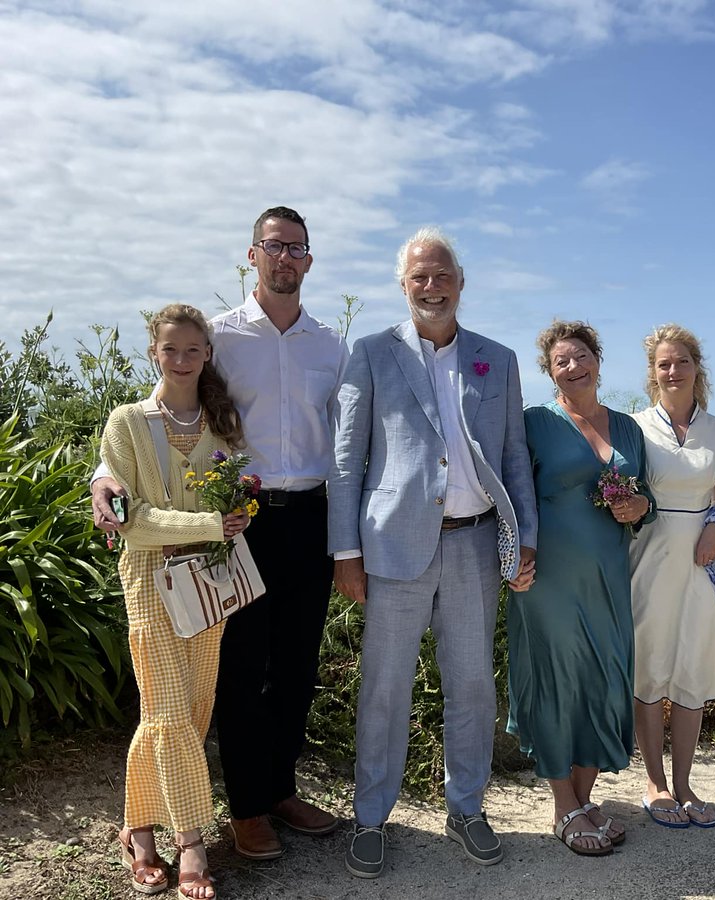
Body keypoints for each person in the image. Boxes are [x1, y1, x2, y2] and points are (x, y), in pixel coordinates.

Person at [94, 207, 348, 860]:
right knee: (242, 670)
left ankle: (282, 790)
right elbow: (169, 404)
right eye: (273, 246)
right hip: (241, 522)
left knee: (295, 666)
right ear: (252, 256)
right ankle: (247, 809)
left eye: (296, 248)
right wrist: (105, 471)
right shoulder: (223, 338)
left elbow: (350, 436)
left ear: (309, 261)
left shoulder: (330, 345)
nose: (285, 257)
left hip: (312, 517)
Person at [329, 226, 537, 878]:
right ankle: (370, 817)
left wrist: (524, 538)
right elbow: (345, 462)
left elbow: (512, 458)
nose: (431, 285)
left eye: (441, 273)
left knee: (474, 686)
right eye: (419, 275)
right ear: (403, 285)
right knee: (384, 689)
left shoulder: (496, 359)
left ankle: (466, 807)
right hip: (391, 548)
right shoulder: (370, 353)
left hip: (476, 544)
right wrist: (345, 552)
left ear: (460, 283)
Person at [101, 304, 251, 899]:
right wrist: (213, 522)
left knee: (189, 709)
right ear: (154, 353)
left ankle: (137, 828)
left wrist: (234, 515)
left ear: (207, 353)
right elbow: (129, 521)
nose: (182, 360)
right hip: (147, 578)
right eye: (171, 350)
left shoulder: (221, 421)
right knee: (166, 710)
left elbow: (238, 493)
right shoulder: (127, 421)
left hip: (206, 581)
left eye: (193, 350)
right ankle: (191, 840)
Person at [506, 320, 655, 857]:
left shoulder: (630, 428)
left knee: (603, 679)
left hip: (608, 581)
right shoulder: (533, 423)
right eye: (561, 361)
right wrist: (511, 558)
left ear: (598, 359)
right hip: (545, 579)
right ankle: (563, 805)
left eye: (581, 356)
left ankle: (585, 799)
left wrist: (639, 506)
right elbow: (505, 492)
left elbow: (649, 501)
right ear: (550, 372)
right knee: (556, 682)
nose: (573, 366)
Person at [629, 324, 715, 828]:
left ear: (698, 368)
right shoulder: (633, 427)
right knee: (649, 670)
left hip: (703, 567)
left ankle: (686, 784)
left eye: (682, 362)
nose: (673, 371)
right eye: (663, 364)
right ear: (653, 374)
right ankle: (654, 783)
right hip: (648, 562)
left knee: (693, 673)